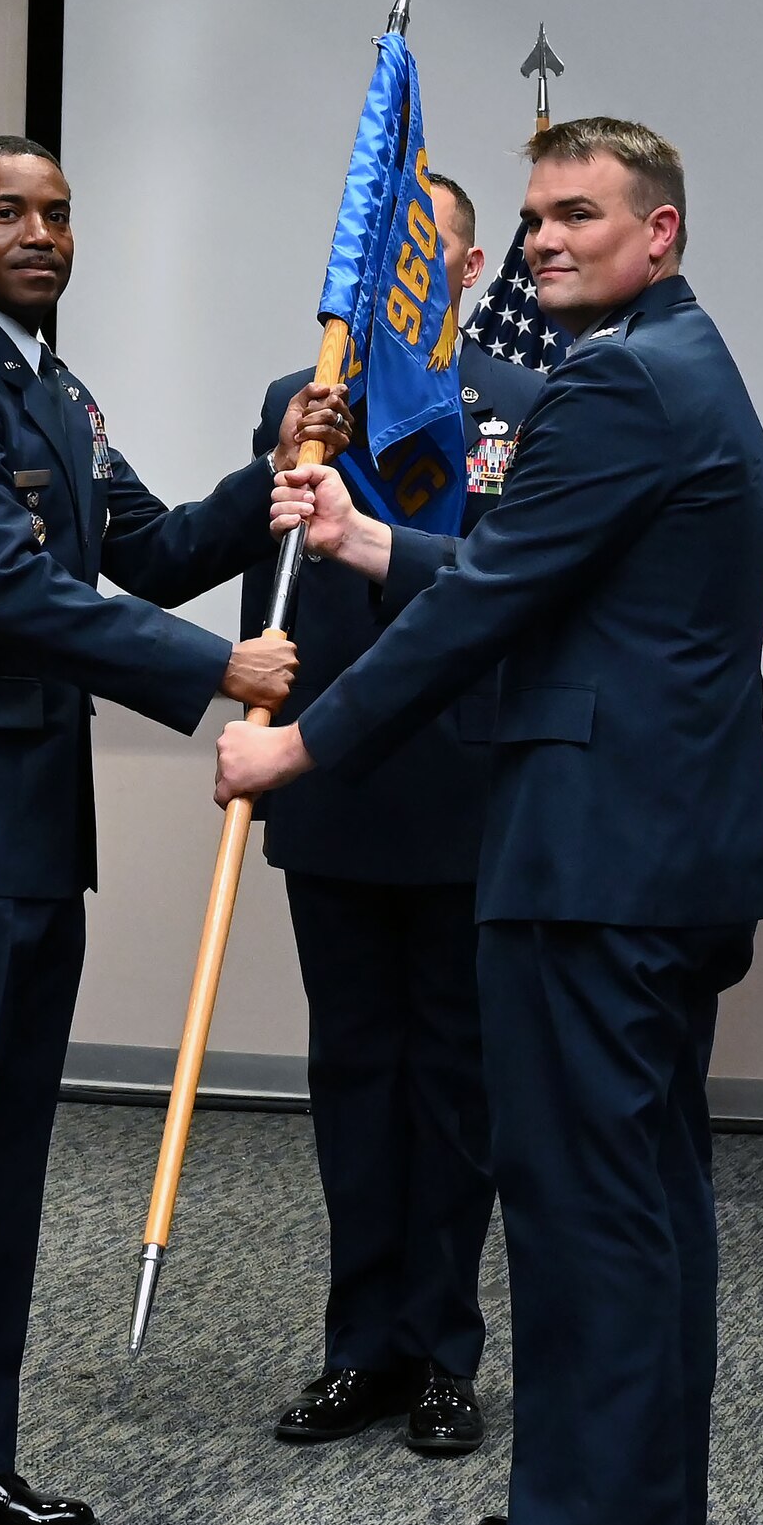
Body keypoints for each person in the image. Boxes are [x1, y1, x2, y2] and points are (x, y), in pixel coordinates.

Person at [215, 118, 763, 1525]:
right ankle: (628, 1520)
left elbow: (491, 615)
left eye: (579, 214)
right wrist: (359, 545)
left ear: (657, 233)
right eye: (534, 217)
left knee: (590, 1208)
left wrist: (298, 751)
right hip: (653, 855)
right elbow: (518, 571)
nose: (545, 240)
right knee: (642, 1202)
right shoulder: (678, 366)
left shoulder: (614, 382)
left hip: (600, 861)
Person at [0, 135, 348, 1525]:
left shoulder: (52, 387)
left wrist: (275, 466)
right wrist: (218, 673)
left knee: (0, 1166)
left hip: (30, 833)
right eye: (9, 213)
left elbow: (152, 546)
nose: (42, 233)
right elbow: (3, 591)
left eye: (57, 212)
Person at [243, 175, 541, 1455]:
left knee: (455, 1086)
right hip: (334, 788)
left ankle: (442, 1352)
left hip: (461, 783)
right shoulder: (299, 403)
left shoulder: (522, 407)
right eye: (383, 246)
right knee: (354, 1077)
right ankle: (357, 1346)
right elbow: (274, 584)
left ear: (468, 269)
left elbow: (508, 592)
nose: (403, 267)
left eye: (428, 249)